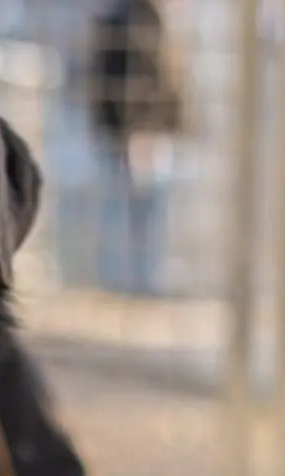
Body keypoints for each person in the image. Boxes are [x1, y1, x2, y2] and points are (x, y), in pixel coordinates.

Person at [89, 0, 188, 296]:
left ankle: (138, 279)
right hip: (138, 134)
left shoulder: (151, 20)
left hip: (145, 132)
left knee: (145, 209)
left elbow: (168, 81)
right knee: (135, 209)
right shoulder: (134, 21)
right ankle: (128, 280)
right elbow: (136, 80)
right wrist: (136, 130)